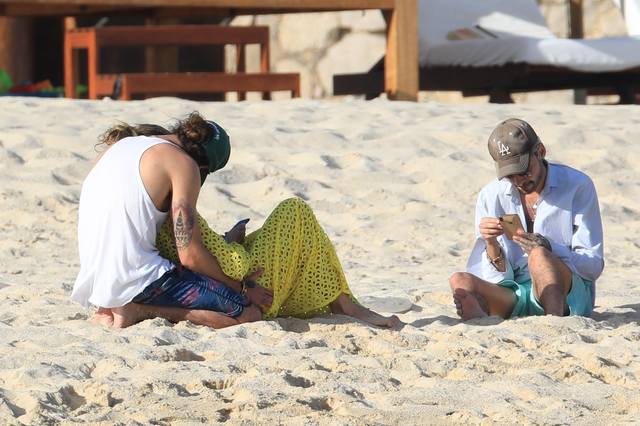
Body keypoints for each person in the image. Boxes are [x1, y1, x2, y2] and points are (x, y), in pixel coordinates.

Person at [72, 112, 400, 329]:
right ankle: (142, 310)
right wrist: (242, 287)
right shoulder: (181, 163)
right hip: (138, 279)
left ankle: (124, 304)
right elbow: (189, 254)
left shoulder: (120, 148)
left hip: (97, 282)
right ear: (202, 165)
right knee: (247, 312)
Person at [449, 118, 604, 320]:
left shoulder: (577, 185)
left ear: (540, 152)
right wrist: (490, 243)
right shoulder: (490, 194)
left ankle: (553, 322)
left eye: (523, 171)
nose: (518, 181)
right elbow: (499, 279)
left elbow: (593, 266)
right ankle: (484, 317)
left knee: (539, 256)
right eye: (509, 175)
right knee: (460, 281)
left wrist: (549, 249)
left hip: (569, 293)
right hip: (516, 294)